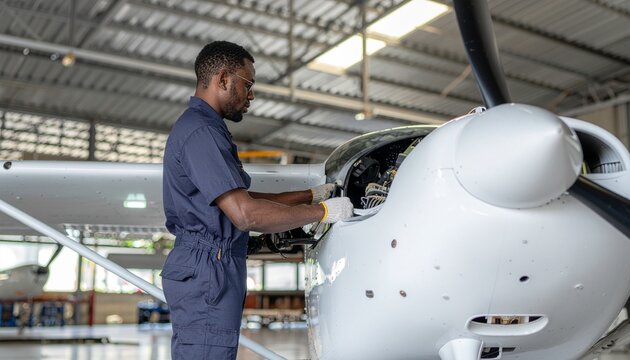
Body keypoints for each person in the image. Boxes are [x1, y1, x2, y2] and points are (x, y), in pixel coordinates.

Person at [160, 41, 354, 360]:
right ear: (223, 79)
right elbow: (245, 214)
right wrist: (321, 212)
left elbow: (245, 199)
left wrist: (311, 195)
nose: (251, 95)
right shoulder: (201, 133)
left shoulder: (207, 129)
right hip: (209, 269)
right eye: (248, 84)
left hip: (214, 266)